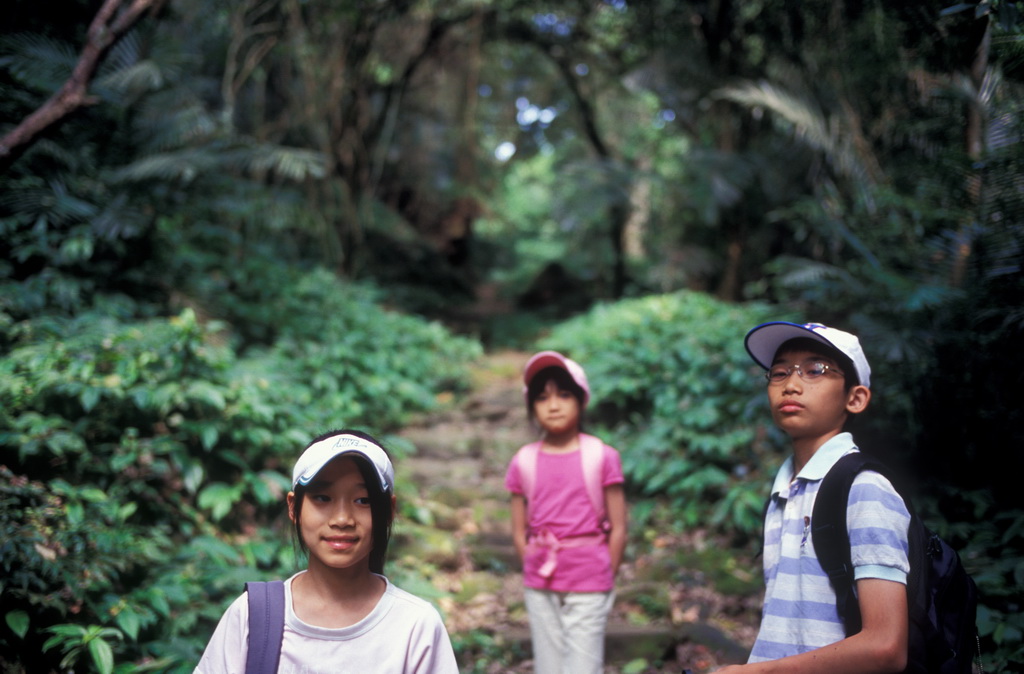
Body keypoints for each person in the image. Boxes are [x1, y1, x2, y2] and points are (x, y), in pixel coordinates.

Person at [716, 322, 912, 673]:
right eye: (778, 373)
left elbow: (886, 647)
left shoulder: (864, 489)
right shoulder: (783, 492)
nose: (791, 385)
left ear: (855, 397)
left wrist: (756, 671)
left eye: (815, 370)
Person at [195, 429, 459, 674]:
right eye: (322, 498)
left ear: (388, 512)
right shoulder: (253, 616)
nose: (342, 519)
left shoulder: (414, 627)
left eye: (363, 500)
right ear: (293, 507)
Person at [505, 351, 628, 674]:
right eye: (542, 397)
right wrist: (529, 559)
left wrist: (606, 571)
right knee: (548, 663)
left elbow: (618, 526)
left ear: (582, 400)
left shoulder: (602, 456)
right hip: (540, 581)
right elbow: (519, 528)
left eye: (564, 394)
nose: (554, 404)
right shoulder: (524, 460)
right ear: (531, 406)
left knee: (583, 665)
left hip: (590, 576)